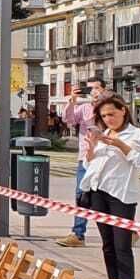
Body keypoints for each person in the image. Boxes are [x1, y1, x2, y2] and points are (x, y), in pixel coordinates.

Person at [81, 95, 140, 279]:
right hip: (98, 191)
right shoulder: (104, 133)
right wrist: (91, 149)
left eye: (112, 113)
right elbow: (90, 166)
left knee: (122, 243)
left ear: (123, 111)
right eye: (104, 116)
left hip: (121, 194)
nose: (108, 119)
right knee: (107, 242)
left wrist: (122, 146)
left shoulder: (137, 134)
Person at [57, 77, 110, 248]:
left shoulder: (111, 107)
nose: (93, 93)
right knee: (82, 195)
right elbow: (69, 119)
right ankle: (78, 233)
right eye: (89, 89)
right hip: (85, 158)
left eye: (96, 88)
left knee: (109, 196)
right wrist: (72, 101)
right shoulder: (84, 107)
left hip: (106, 158)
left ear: (104, 89)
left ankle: (126, 229)